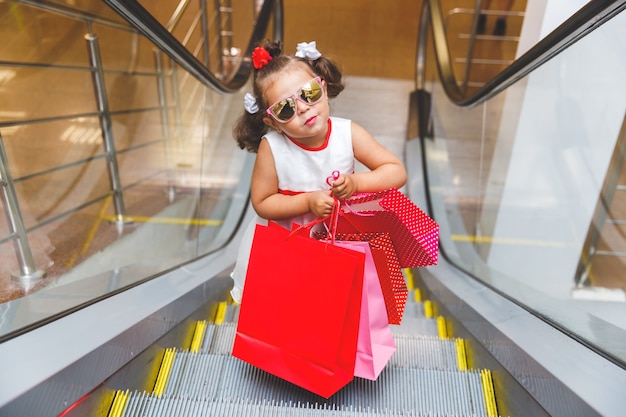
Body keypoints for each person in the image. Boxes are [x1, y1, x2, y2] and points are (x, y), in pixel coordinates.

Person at [230, 40, 407, 303]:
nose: (302, 107)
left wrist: (356, 183)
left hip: (341, 239)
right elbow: (262, 201)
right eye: (285, 109)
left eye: (308, 93)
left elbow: (395, 172)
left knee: (339, 301)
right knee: (290, 306)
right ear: (272, 122)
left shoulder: (348, 133)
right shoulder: (273, 148)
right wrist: (307, 202)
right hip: (289, 245)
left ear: (322, 87)